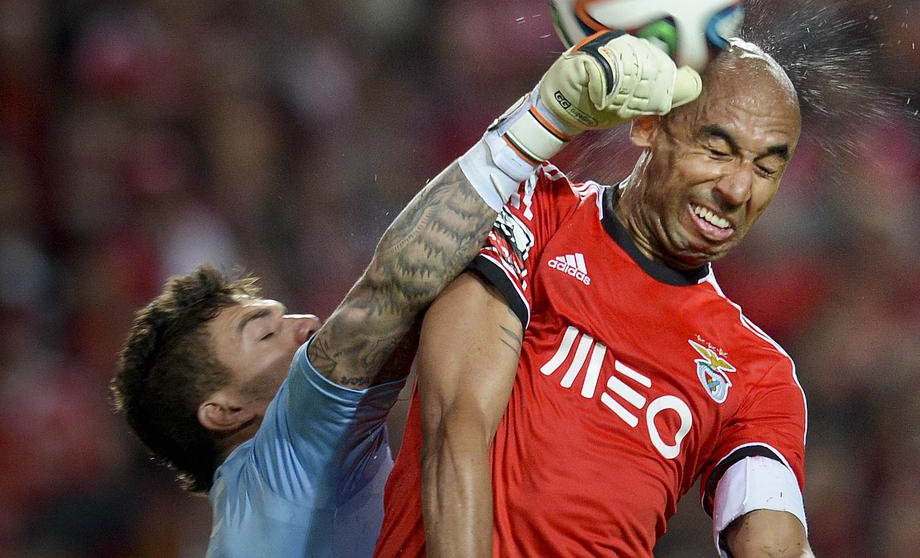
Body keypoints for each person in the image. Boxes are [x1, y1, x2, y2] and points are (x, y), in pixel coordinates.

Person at [108, 32, 701, 558]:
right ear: (226, 412)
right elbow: (395, 284)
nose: (307, 323)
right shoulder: (283, 450)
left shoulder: (262, 510)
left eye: (281, 313)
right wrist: (547, 118)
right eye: (264, 332)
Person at [375, 37, 813, 557]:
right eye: (717, 151)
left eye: (765, 169)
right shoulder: (535, 212)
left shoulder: (757, 375)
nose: (738, 190)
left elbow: (773, 546)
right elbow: (456, 423)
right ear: (648, 126)